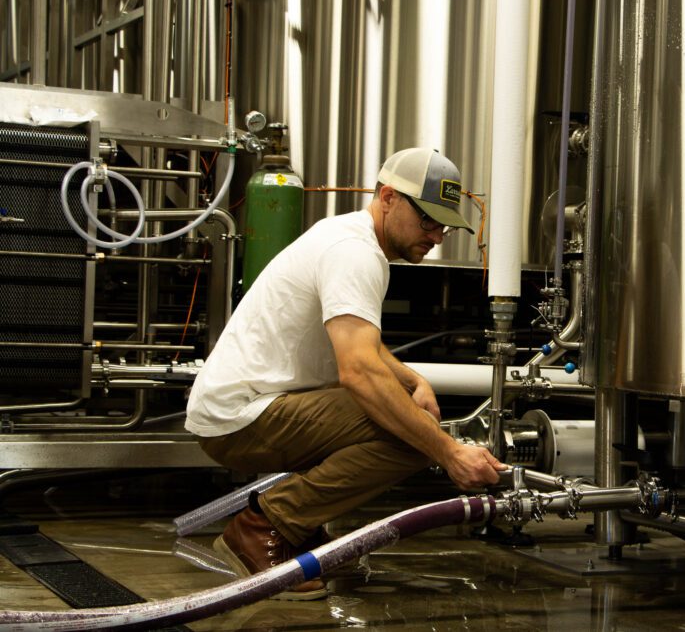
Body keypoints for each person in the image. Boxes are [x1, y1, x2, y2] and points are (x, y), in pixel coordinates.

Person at [185, 147, 506, 600]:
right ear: (389, 197)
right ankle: (264, 526)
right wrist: (451, 452)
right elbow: (358, 372)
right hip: (242, 416)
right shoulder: (354, 252)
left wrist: (413, 380)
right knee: (410, 434)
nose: (436, 236)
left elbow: (361, 342)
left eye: (444, 225)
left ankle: (296, 525)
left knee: (403, 413)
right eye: (428, 221)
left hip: (254, 405)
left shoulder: (349, 237)